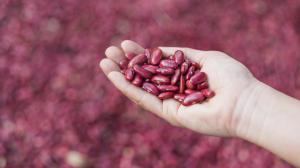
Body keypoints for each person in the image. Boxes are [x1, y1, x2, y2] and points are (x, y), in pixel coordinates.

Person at [99, 40, 300, 167]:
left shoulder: (183, 76)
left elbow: (171, 77)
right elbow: (163, 77)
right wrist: (245, 107)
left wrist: (244, 104)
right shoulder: (173, 76)